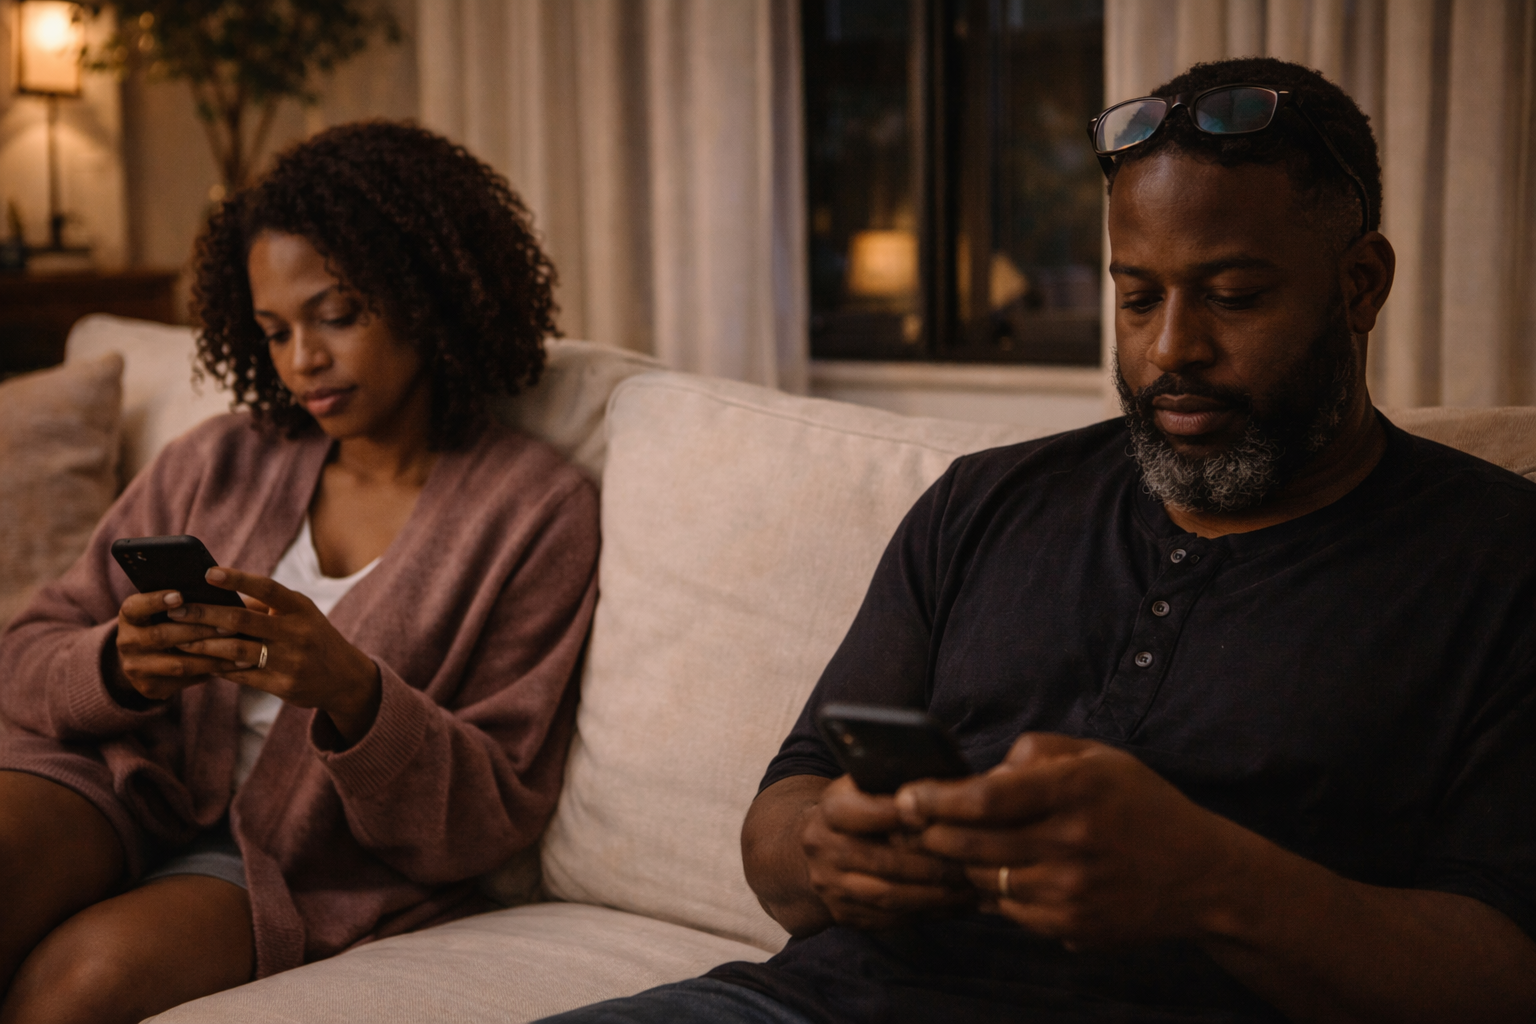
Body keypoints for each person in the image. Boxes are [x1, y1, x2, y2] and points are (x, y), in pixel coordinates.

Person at [532, 57, 1536, 1024]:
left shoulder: (1497, 558)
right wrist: (826, 847)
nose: (1171, 349)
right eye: (1137, 296)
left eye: (1233, 297)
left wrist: (1212, 879)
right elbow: (779, 823)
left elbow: (1504, 977)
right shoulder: (986, 502)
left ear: (1360, 285)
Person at [0, 122, 600, 1023]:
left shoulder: (534, 514)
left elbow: (491, 811)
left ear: (428, 292)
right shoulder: (219, 459)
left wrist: (354, 693)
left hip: (294, 859)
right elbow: (26, 655)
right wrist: (117, 667)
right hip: (122, 781)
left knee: (80, 988)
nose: (302, 362)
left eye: (338, 314)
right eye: (274, 331)